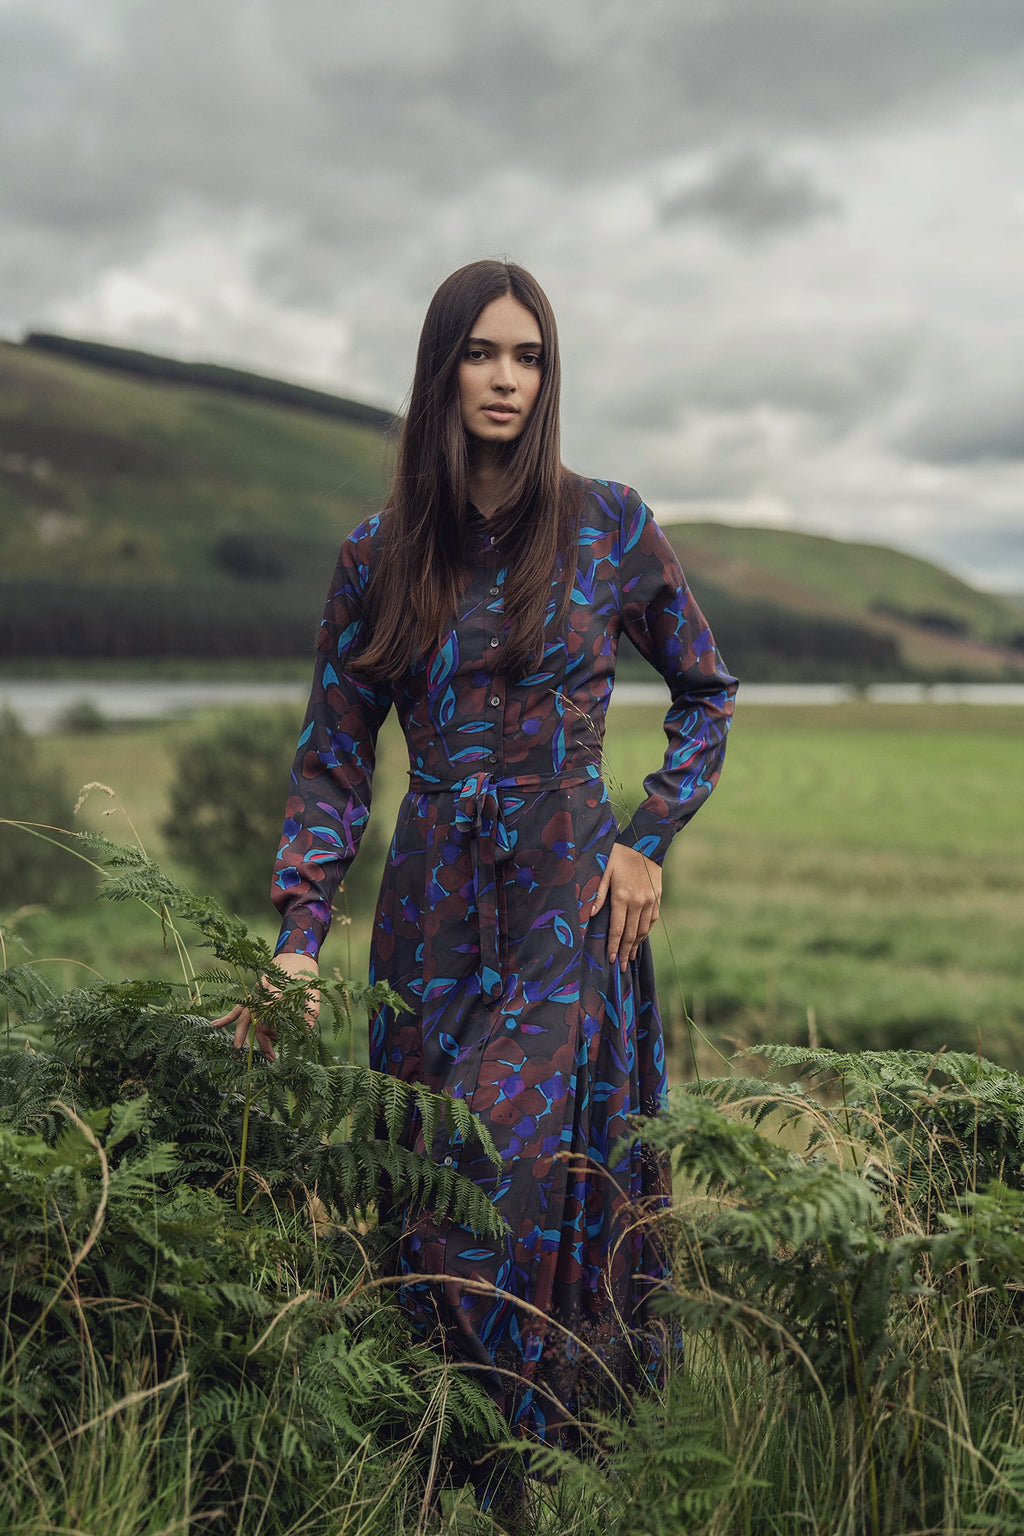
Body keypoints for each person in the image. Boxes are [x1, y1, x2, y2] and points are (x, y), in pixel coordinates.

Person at [218, 259, 736, 1465]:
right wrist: (298, 940)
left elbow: (705, 693)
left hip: (569, 902)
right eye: (482, 353)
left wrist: (647, 837)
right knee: (427, 1177)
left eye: (530, 356)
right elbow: (333, 760)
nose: (506, 379)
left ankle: (551, 1462)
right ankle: (438, 1461)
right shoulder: (377, 554)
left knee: (517, 1168)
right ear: (441, 366)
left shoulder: (610, 523)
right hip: (432, 909)